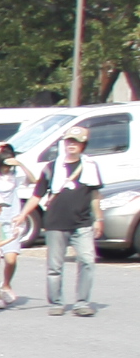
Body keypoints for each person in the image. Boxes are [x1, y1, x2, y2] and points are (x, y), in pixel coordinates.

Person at [39, 132, 103, 317]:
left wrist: (99, 219)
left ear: (83, 145)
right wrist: (23, 215)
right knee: (55, 266)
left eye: (76, 142)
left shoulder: (90, 166)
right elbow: (37, 193)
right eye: (69, 141)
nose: (72, 145)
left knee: (87, 260)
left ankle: (82, 302)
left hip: (82, 222)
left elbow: (95, 195)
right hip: (56, 222)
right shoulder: (52, 167)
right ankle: (56, 302)